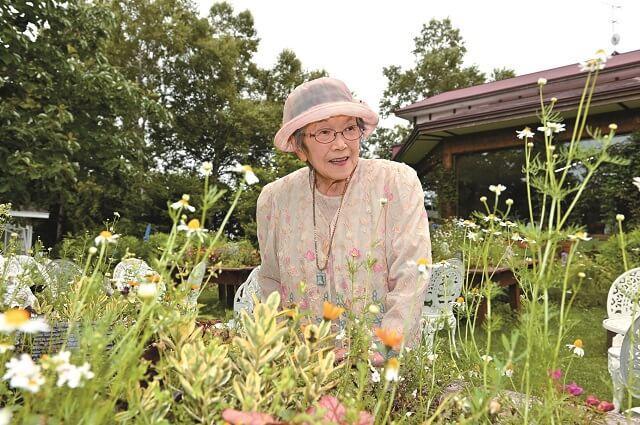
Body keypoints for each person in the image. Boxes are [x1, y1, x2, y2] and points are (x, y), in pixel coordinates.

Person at [256, 77, 431, 347]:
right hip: (303, 368)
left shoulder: (396, 182)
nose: (340, 144)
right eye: (324, 133)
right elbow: (271, 283)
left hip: (379, 369)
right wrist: (287, 351)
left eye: (349, 129)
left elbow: (411, 274)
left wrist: (382, 351)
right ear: (300, 147)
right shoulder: (275, 199)